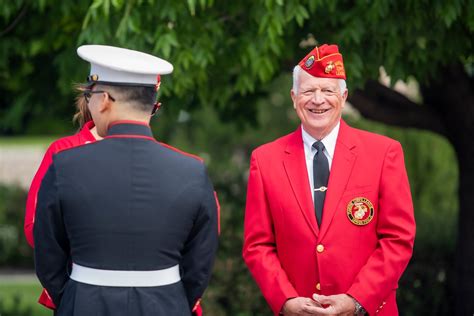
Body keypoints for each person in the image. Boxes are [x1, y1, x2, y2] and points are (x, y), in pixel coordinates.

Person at [33, 45, 219, 315]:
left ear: (105, 99)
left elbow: (48, 253)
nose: (89, 102)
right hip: (166, 305)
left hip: (86, 303)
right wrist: (175, 300)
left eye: (90, 95)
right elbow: (200, 261)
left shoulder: (65, 165)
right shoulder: (192, 171)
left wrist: (73, 298)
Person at [242, 44, 416, 315]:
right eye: (308, 91)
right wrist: (285, 300)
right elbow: (257, 246)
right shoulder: (265, 160)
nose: (318, 100)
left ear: (343, 96)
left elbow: (398, 239)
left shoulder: (384, 153)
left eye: (327, 91)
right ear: (293, 96)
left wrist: (356, 300)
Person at [24, 90, 101, 309]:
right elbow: (36, 228)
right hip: (80, 290)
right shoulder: (64, 151)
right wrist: (67, 295)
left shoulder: (157, 155)